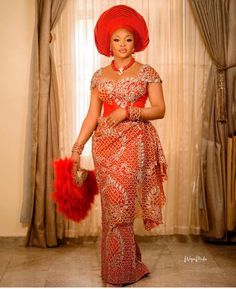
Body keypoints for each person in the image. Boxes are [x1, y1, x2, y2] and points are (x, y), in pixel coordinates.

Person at [70, 4, 168, 287]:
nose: (122, 44)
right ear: (108, 44)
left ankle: (120, 271)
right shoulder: (100, 76)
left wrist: (128, 112)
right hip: (104, 147)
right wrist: (78, 148)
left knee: (122, 206)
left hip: (135, 144)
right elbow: (92, 115)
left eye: (127, 39)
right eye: (116, 39)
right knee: (112, 208)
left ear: (135, 42)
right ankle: (129, 264)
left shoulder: (147, 72)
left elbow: (160, 109)